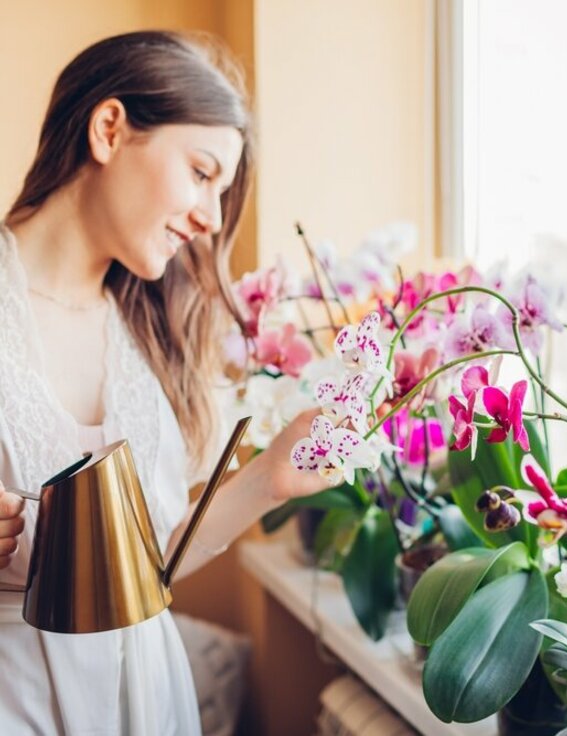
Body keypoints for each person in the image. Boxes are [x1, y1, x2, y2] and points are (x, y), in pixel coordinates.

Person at [0, 30, 327, 735]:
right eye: (202, 171)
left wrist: (272, 476)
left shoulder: (154, 331)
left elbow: (152, 566)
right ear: (110, 128)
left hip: (146, 698)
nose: (212, 217)